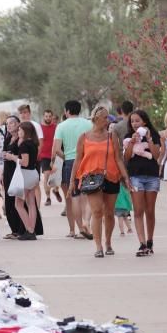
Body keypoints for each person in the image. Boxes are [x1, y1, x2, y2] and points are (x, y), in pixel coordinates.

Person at [71, 105, 131, 257]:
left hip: (111, 176)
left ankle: (108, 242)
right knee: (97, 211)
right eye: (105, 117)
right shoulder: (84, 137)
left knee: (109, 213)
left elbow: (118, 158)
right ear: (96, 118)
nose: (108, 120)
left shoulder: (112, 137)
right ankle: (98, 246)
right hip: (91, 179)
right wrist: (73, 180)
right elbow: (77, 161)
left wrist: (125, 177)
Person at [124, 109, 162, 256]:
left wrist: (149, 138)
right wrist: (132, 142)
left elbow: (156, 155)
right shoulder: (128, 136)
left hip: (152, 176)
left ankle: (150, 240)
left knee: (150, 211)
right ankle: (142, 244)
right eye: (132, 121)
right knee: (138, 211)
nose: (134, 123)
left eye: (137, 120)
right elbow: (126, 157)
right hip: (135, 177)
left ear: (144, 122)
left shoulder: (154, 134)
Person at [53, 100, 93, 240]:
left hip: (70, 162)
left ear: (67, 111)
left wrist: (67, 157)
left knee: (74, 197)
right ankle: (87, 223)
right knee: (88, 196)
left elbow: (57, 149)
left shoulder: (61, 126)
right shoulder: (88, 124)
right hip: (87, 161)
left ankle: (80, 228)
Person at [11, 121, 43, 240]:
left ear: (25, 131)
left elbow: (25, 162)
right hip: (33, 174)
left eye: (19, 130)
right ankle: (32, 230)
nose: (18, 132)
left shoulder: (24, 145)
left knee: (18, 204)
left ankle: (29, 230)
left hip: (25, 175)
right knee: (31, 203)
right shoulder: (34, 143)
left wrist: (13, 157)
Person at [0, 115, 26, 239]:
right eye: (7, 123)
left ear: (18, 124)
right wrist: (2, 173)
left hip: (18, 172)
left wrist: (12, 157)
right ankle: (14, 229)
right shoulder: (8, 137)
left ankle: (22, 229)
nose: (8, 125)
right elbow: (5, 155)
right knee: (8, 200)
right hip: (8, 171)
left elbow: (23, 158)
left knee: (18, 200)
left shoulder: (21, 139)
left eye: (11, 123)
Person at [38, 109, 60, 206]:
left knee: (55, 177)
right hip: (44, 156)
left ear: (52, 117)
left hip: (55, 155)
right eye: (46, 116)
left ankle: (56, 190)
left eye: (49, 116)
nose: (48, 118)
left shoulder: (56, 127)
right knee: (46, 176)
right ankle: (48, 198)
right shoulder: (40, 128)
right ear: (43, 117)